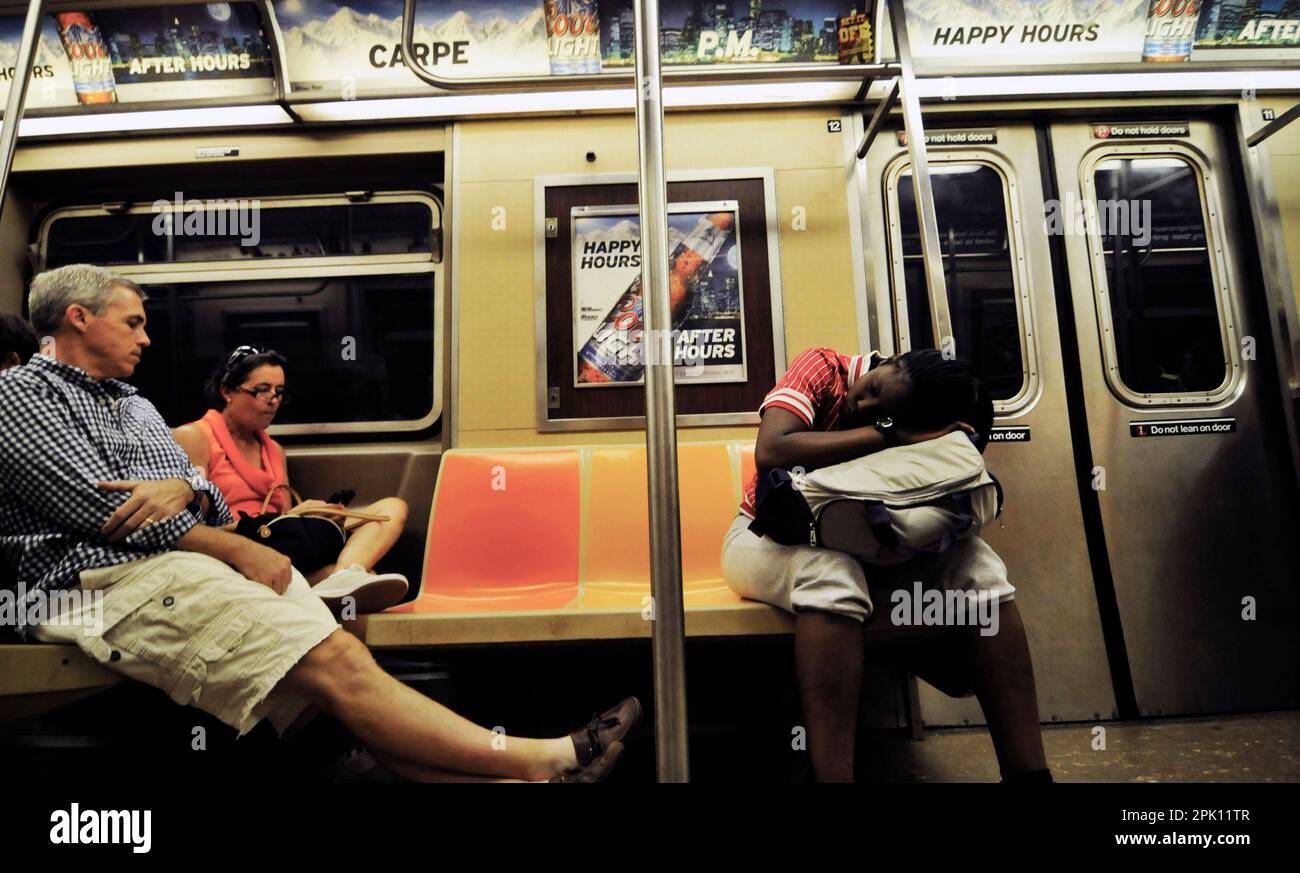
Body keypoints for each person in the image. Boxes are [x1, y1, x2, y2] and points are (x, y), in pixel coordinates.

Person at [0, 264, 640, 782]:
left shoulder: (135, 405)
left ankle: (518, 779)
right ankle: (542, 759)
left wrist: (183, 490)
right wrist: (227, 540)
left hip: (178, 563)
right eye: (133, 323)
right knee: (334, 657)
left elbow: (206, 500)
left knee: (340, 663)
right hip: (94, 586)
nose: (146, 339)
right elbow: (105, 512)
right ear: (78, 318)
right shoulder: (20, 396)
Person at [722, 347, 1052, 784]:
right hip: (766, 537)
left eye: (885, 410)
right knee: (833, 574)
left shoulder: (928, 419)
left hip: (876, 547)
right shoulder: (823, 368)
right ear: (887, 360)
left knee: (981, 568)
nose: (863, 404)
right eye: (874, 389)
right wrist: (888, 433)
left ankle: (1029, 775)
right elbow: (773, 449)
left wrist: (931, 439)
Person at [172, 348, 409, 614]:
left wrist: (310, 514)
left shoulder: (273, 450)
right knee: (365, 584)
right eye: (261, 390)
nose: (273, 400)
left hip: (282, 541)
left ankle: (346, 573)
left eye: (279, 392)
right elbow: (189, 525)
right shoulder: (195, 437)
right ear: (228, 392)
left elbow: (282, 516)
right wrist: (281, 521)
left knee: (392, 508)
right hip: (237, 548)